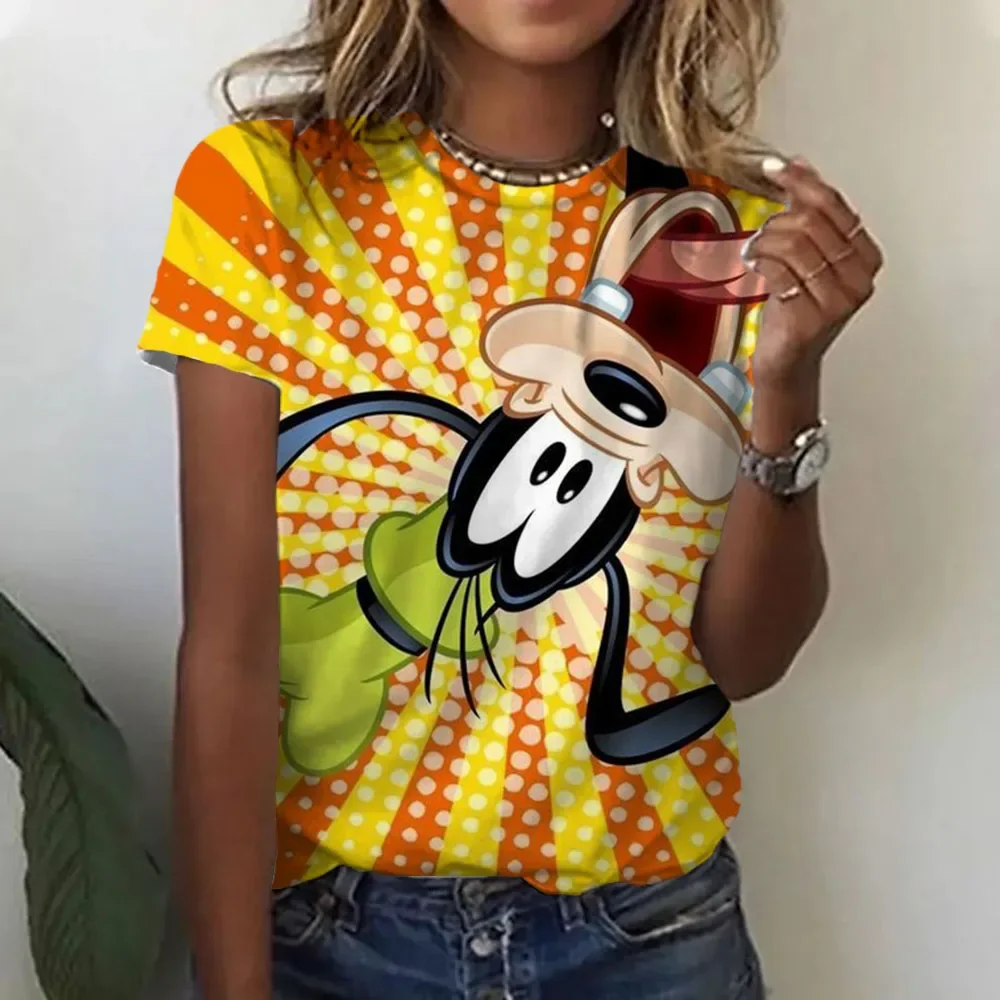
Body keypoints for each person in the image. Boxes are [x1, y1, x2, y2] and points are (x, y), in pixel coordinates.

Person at [138, 1, 882, 997]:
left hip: (649, 939)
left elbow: (745, 659)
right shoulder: (268, 189)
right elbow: (228, 653)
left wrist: (789, 381)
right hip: (330, 937)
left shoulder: (721, 237)